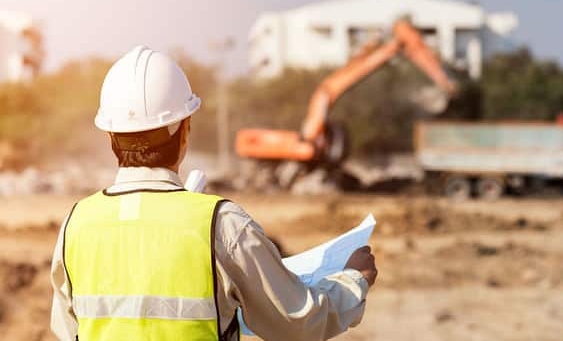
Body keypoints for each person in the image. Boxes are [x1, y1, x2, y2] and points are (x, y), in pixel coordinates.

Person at [50, 45, 378, 341]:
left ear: (110, 134)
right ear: (183, 129)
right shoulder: (222, 225)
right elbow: (297, 324)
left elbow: (68, 331)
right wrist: (353, 280)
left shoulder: (75, 224)